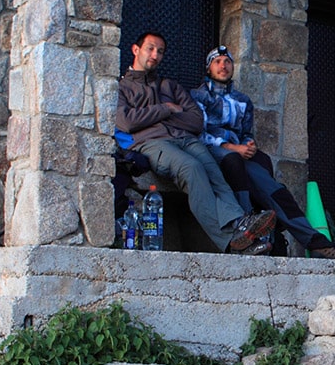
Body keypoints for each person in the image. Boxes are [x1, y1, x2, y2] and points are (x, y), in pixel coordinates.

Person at [114, 31, 275, 254]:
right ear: (135, 50)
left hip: (186, 140)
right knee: (192, 169)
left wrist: (149, 116)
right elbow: (125, 122)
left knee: (214, 173)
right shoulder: (122, 88)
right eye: (150, 48)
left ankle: (240, 225)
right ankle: (230, 241)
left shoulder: (170, 86)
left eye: (160, 51)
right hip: (151, 144)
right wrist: (166, 109)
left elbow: (196, 121)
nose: (155, 54)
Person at [191, 45, 335, 260]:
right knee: (235, 162)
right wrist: (231, 147)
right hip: (213, 153)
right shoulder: (198, 96)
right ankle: (249, 234)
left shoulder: (242, 100)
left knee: (269, 178)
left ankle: (316, 242)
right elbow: (199, 132)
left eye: (227, 61)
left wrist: (249, 145)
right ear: (208, 68)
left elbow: (245, 133)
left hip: (239, 154)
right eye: (217, 61)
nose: (223, 65)